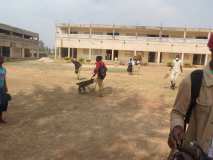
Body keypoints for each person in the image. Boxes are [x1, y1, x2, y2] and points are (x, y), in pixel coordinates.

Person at [168, 33, 213, 159]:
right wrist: (177, 127)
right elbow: (177, 112)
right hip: (194, 154)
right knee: (172, 79)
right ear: (211, 51)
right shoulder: (194, 81)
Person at [0, 56, 8, 124]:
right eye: (1, 59)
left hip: (2, 88)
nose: (2, 60)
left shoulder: (4, 69)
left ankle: (0, 118)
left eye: (2, 59)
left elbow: (4, 79)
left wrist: (5, 87)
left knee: (2, 104)